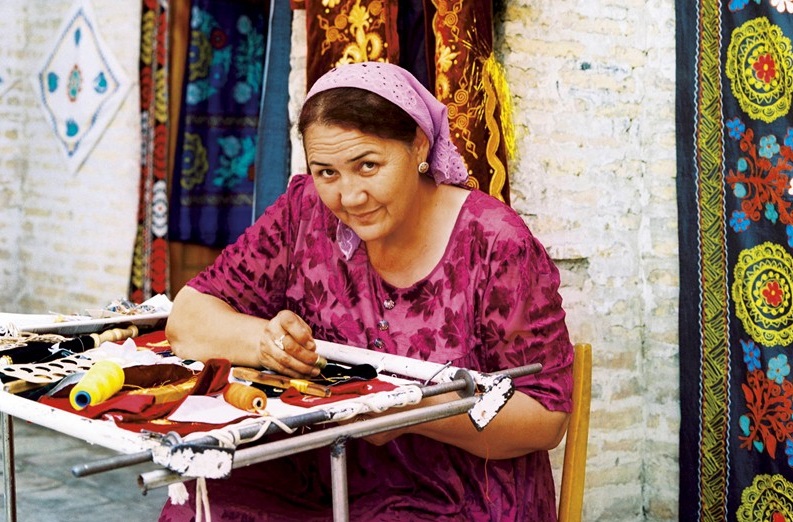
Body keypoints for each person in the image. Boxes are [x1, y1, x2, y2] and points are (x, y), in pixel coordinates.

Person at [160, 61, 574, 521]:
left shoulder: (494, 243)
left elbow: (545, 415)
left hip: (458, 493)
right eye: (327, 172)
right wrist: (269, 344)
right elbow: (189, 318)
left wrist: (407, 409)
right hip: (321, 472)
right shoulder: (304, 212)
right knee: (206, 504)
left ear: (418, 143)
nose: (349, 197)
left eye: (368, 165)